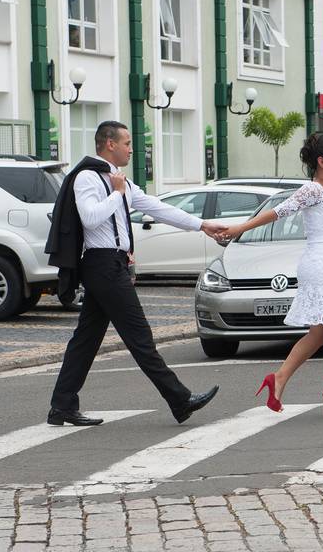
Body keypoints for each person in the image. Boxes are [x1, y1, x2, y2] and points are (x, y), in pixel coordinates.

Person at [46, 121, 225, 426]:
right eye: (127, 143)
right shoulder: (87, 177)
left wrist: (202, 225)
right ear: (109, 144)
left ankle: (62, 406)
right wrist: (116, 194)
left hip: (113, 264)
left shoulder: (121, 182)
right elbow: (89, 219)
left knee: (85, 340)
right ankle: (179, 399)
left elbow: (157, 208)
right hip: (100, 265)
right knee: (139, 336)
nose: (132, 149)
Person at [217, 133, 323, 416]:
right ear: (322, 162)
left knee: (322, 331)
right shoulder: (312, 190)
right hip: (317, 264)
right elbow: (278, 212)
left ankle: (279, 378)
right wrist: (239, 228)